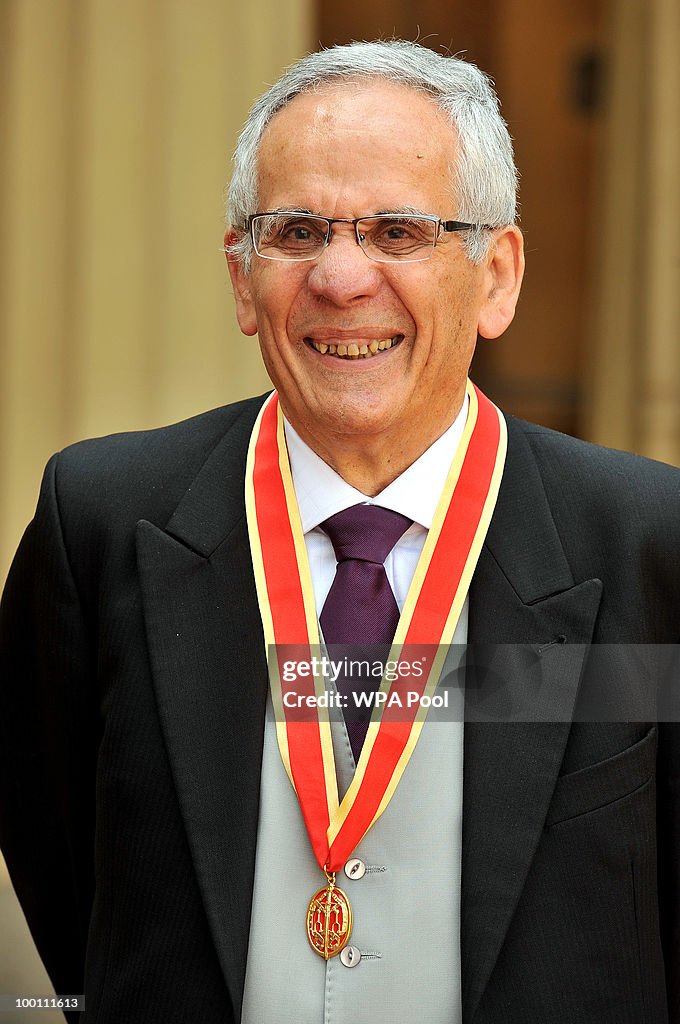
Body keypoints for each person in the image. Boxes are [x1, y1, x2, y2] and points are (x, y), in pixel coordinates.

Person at [0, 38, 678, 1024]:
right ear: (242, 277)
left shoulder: (642, 543)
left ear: (495, 275)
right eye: (296, 230)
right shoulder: (101, 523)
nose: (341, 276)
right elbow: (62, 861)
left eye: (398, 231)